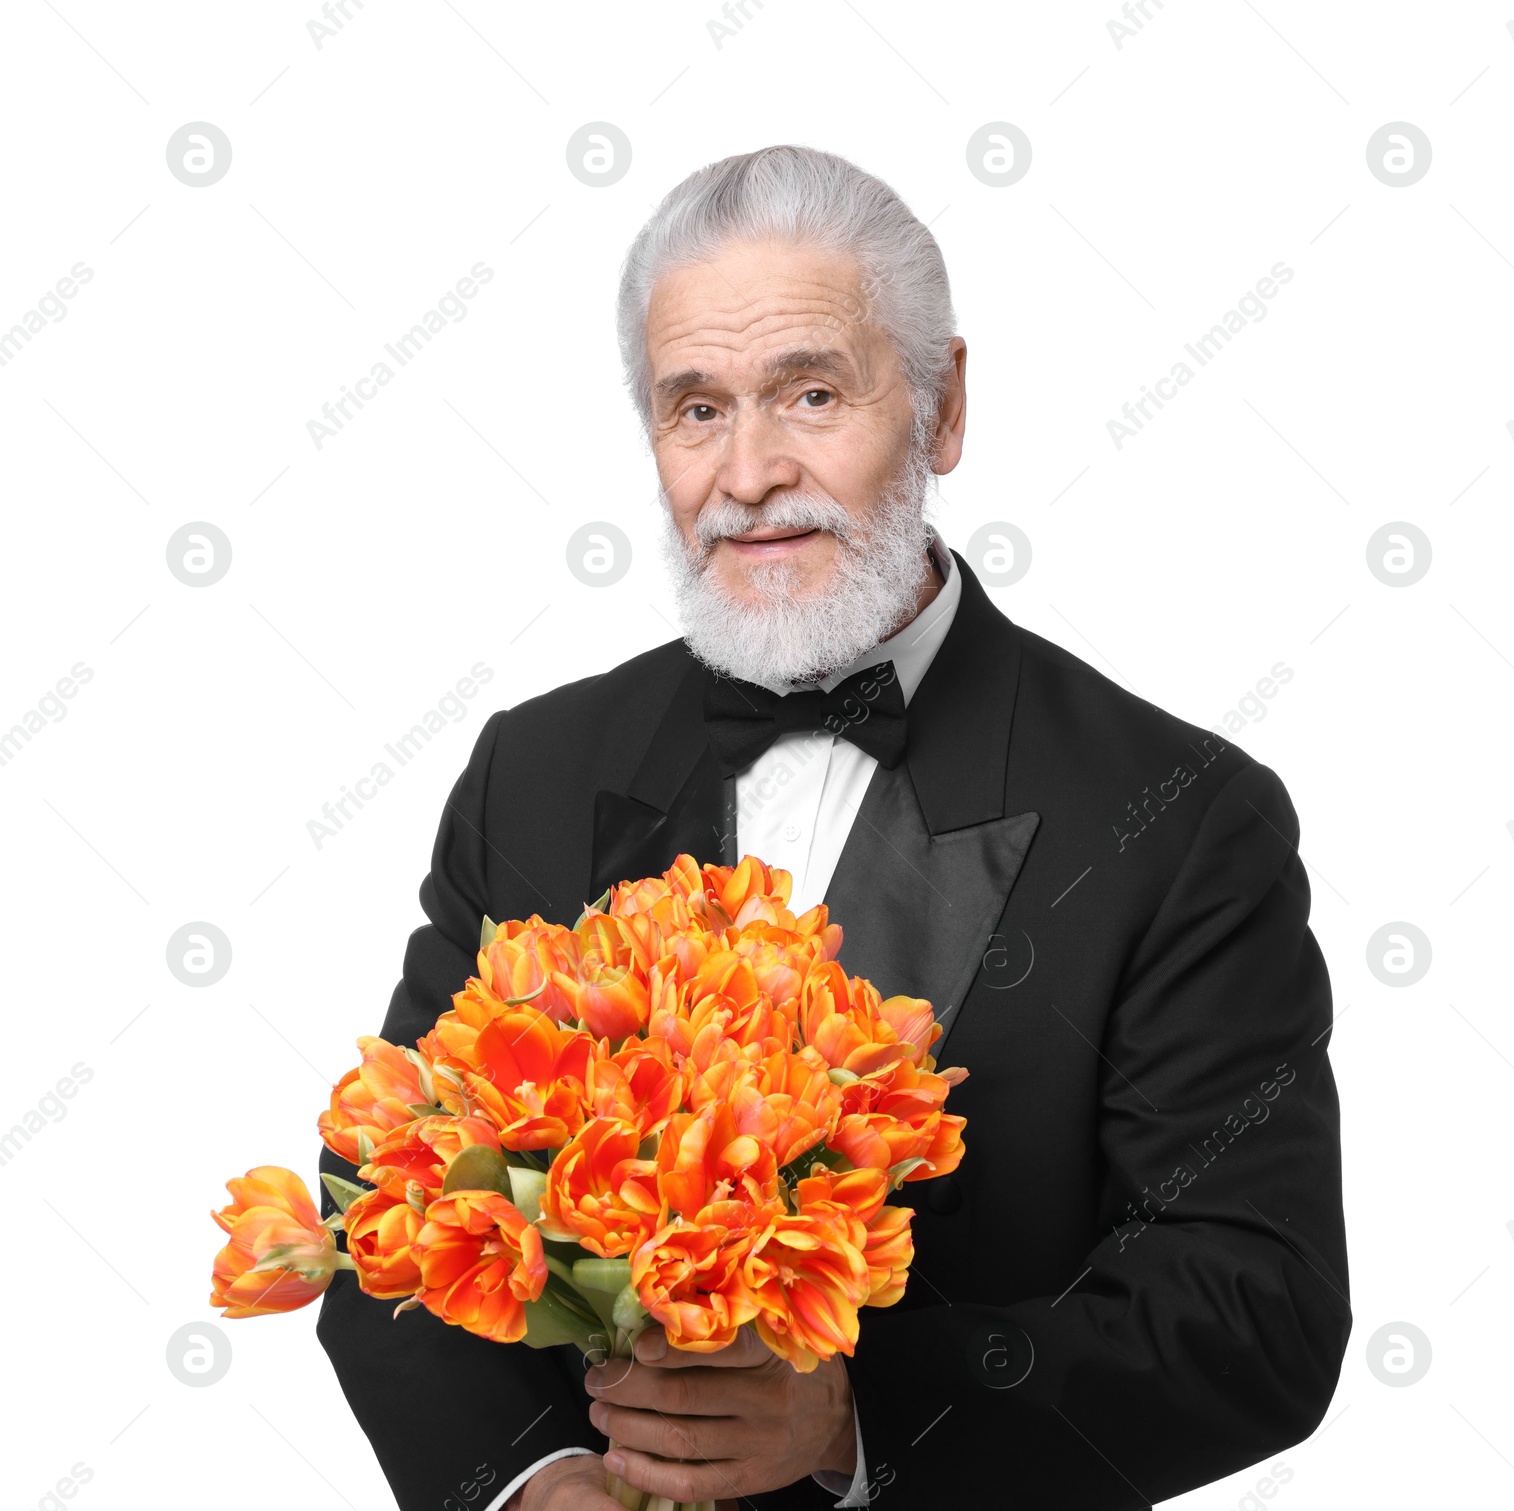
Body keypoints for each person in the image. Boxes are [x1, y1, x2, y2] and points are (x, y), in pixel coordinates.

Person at [318, 144, 1350, 1511]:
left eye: (811, 393)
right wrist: (532, 1478)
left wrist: (857, 1420)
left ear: (942, 409)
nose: (749, 474)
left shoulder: (1182, 818)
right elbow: (382, 1191)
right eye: (697, 409)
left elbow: (1254, 1312)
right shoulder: (538, 770)